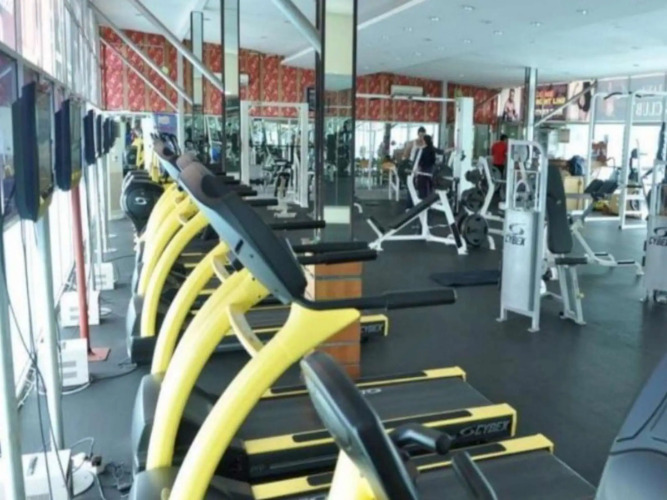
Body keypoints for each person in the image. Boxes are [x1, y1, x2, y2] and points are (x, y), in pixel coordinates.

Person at [414, 134, 436, 199]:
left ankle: (422, 198)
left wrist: (417, 168)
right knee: (430, 184)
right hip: (430, 169)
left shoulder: (422, 150)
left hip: (424, 169)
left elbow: (419, 161)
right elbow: (442, 152)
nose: (422, 141)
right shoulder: (432, 148)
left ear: (425, 141)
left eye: (423, 140)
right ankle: (429, 198)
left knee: (422, 185)